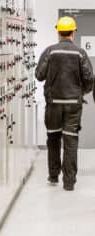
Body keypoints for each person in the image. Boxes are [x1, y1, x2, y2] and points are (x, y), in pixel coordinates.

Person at [35, 16, 94, 191]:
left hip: (53, 104)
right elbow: (90, 78)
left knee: (53, 139)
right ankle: (69, 183)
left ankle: (53, 176)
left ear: (58, 32)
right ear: (73, 33)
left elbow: (39, 75)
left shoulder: (50, 52)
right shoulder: (80, 53)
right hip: (73, 105)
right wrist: (81, 92)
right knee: (70, 141)